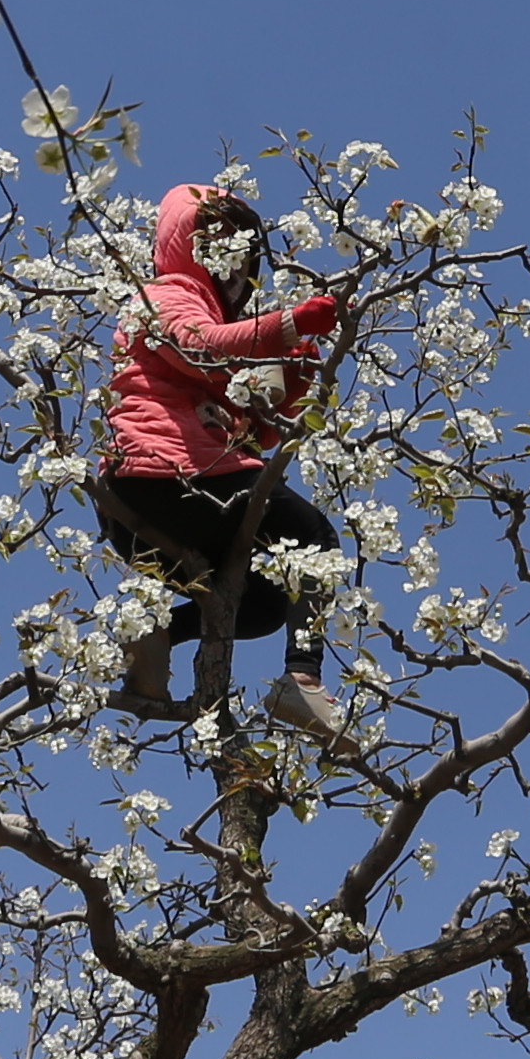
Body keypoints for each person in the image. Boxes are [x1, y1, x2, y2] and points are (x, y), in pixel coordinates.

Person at [94, 181, 352, 737]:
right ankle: (302, 683)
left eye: (243, 254)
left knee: (261, 604)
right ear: (189, 244)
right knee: (314, 539)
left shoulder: (205, 316)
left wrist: (288, 386)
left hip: (156, 503)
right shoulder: (163, 295)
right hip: (166, 473)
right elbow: (200, 346)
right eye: (218, 244)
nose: (234, 265)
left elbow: (241, 433)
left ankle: (155, 637)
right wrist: (286, 325)